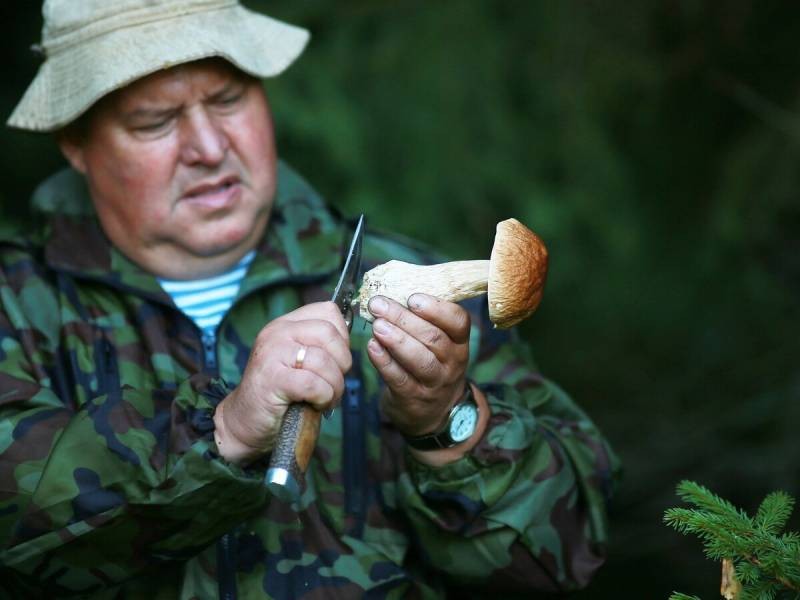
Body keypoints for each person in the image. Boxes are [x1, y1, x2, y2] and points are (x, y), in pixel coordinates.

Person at [0, 1, 620, 597]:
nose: (209, 148)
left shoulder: (411, 286)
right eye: (155, 122)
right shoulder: (18, 306)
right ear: (75, 144)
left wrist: (449, 424)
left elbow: (566, 552)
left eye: (228, 100)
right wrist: (224, 429)